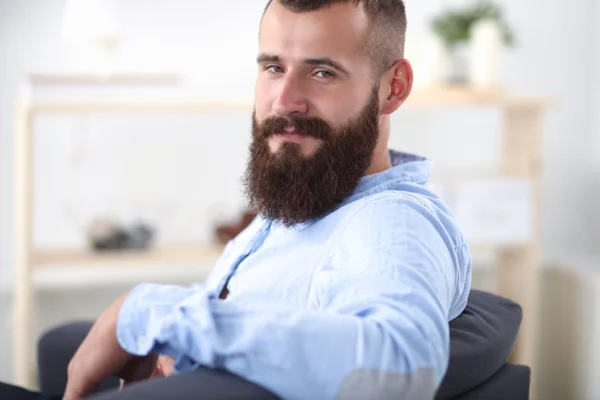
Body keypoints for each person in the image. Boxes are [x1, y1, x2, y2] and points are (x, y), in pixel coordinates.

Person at [4, 0, 472, 399]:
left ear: (394, 88)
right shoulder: (314, 201)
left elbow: (404, 369)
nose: (284, 100)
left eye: (323, 72)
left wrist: (154, 312)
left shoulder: (391, 223)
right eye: (273, 67)